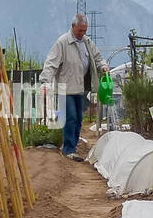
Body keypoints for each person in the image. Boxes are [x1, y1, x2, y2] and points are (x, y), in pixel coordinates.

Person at [40, 13, 108, 161]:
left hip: (82, 87)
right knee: (70, 117)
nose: (82, 33)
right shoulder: (62, 43)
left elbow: (98, 57)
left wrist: (103, 66)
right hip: (66, 88)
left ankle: (73, 147)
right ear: (73, 27)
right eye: (80, 30)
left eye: (84, 30)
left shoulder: (87, 42)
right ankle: (68, 149)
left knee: (78, 119)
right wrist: (45, 81)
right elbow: (51, 63)